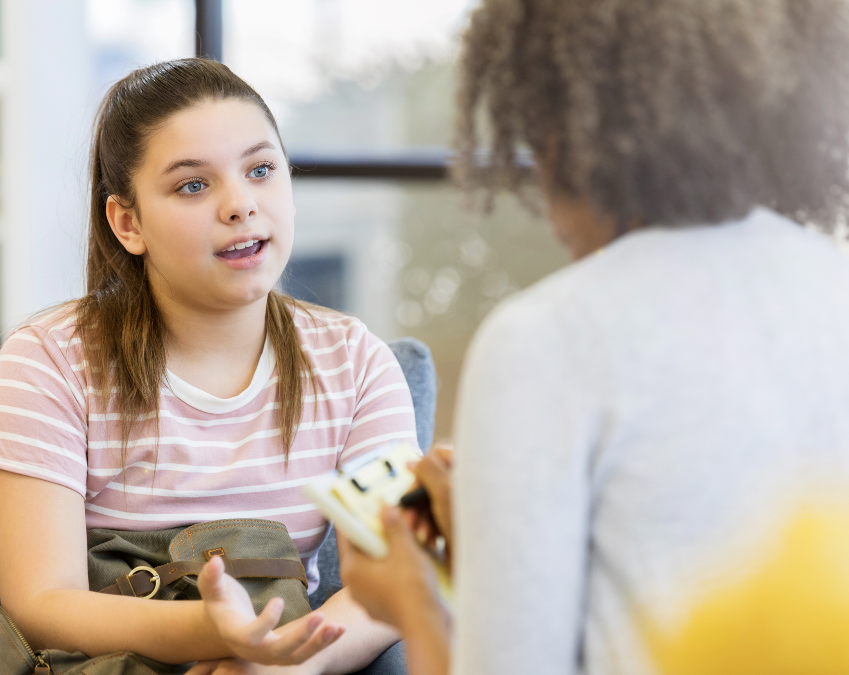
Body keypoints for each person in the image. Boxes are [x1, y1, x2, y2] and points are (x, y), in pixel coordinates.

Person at [339, 1, 849, 674]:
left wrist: (410, 598)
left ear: (567, 125)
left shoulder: (547, 337)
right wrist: (494, 543)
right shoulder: (831, 283)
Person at [0, 58, 419, 674]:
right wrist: (216, 631)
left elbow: (392, 587)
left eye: (260, 170)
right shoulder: (49, 358)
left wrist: (286, 663)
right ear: (128, 223)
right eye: (193, 185)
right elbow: (43, 600)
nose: (240, 205)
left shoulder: (358, 363)